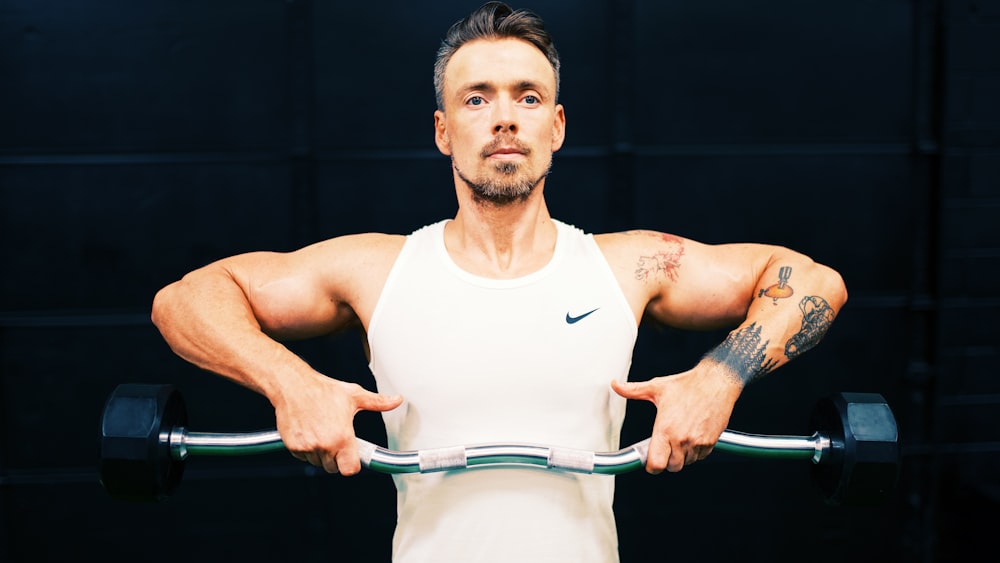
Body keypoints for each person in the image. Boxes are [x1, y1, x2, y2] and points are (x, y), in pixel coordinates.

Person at [150, 2, 848, 561]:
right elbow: (184, 301)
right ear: (443, 130)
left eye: (528, 96)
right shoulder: (377, 270)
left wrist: (720, 376)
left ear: (557, 125)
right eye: (477, 99)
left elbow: (809, 279)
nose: (505, 116)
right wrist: (289, 383)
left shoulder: (626, 266)